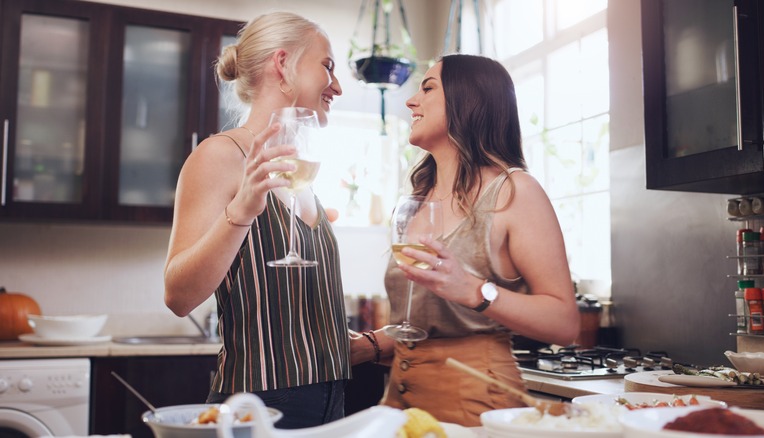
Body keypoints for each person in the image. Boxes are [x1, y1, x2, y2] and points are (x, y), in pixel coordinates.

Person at [162, 11, 378, 429]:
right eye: (327, 67)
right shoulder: (221, 157)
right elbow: (178, 295)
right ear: (282, 64)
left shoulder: (300, 172)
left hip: (330, 401)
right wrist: (240, 212)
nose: (336, 86)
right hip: (261, 406)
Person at [373, 54, 581, 426]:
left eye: (428, 88)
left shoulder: (515, 191)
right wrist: (368, 344)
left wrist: (473, 290)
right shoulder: (417, 199)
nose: (411, 101)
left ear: (467, 99)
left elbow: (564, 323)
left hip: (478, 405)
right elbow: (421, 325)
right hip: (399, 407)